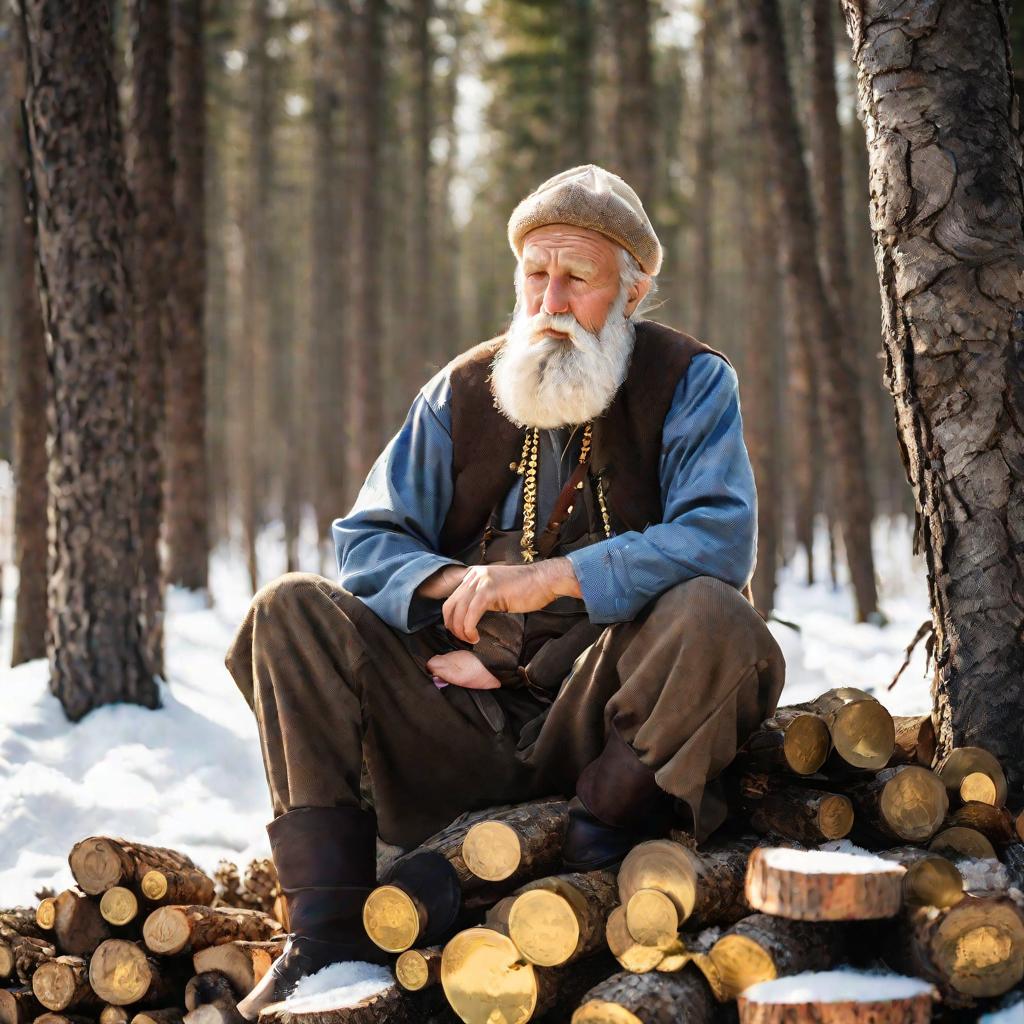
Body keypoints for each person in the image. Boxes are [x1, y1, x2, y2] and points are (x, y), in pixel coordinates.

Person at [224, 163, 785, 1016]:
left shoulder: (690, 381)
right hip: (455, 721)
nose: (550, 300)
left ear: (632, 293)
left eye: (578, 278)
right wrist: (460, 589)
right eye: (535, 274)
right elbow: (366, 544)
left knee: (718, 616)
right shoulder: (460, 390)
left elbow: (718, 539)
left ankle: (587, 868)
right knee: (289, 610)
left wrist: (544, 588)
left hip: (606, 725)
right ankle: (327, 933)